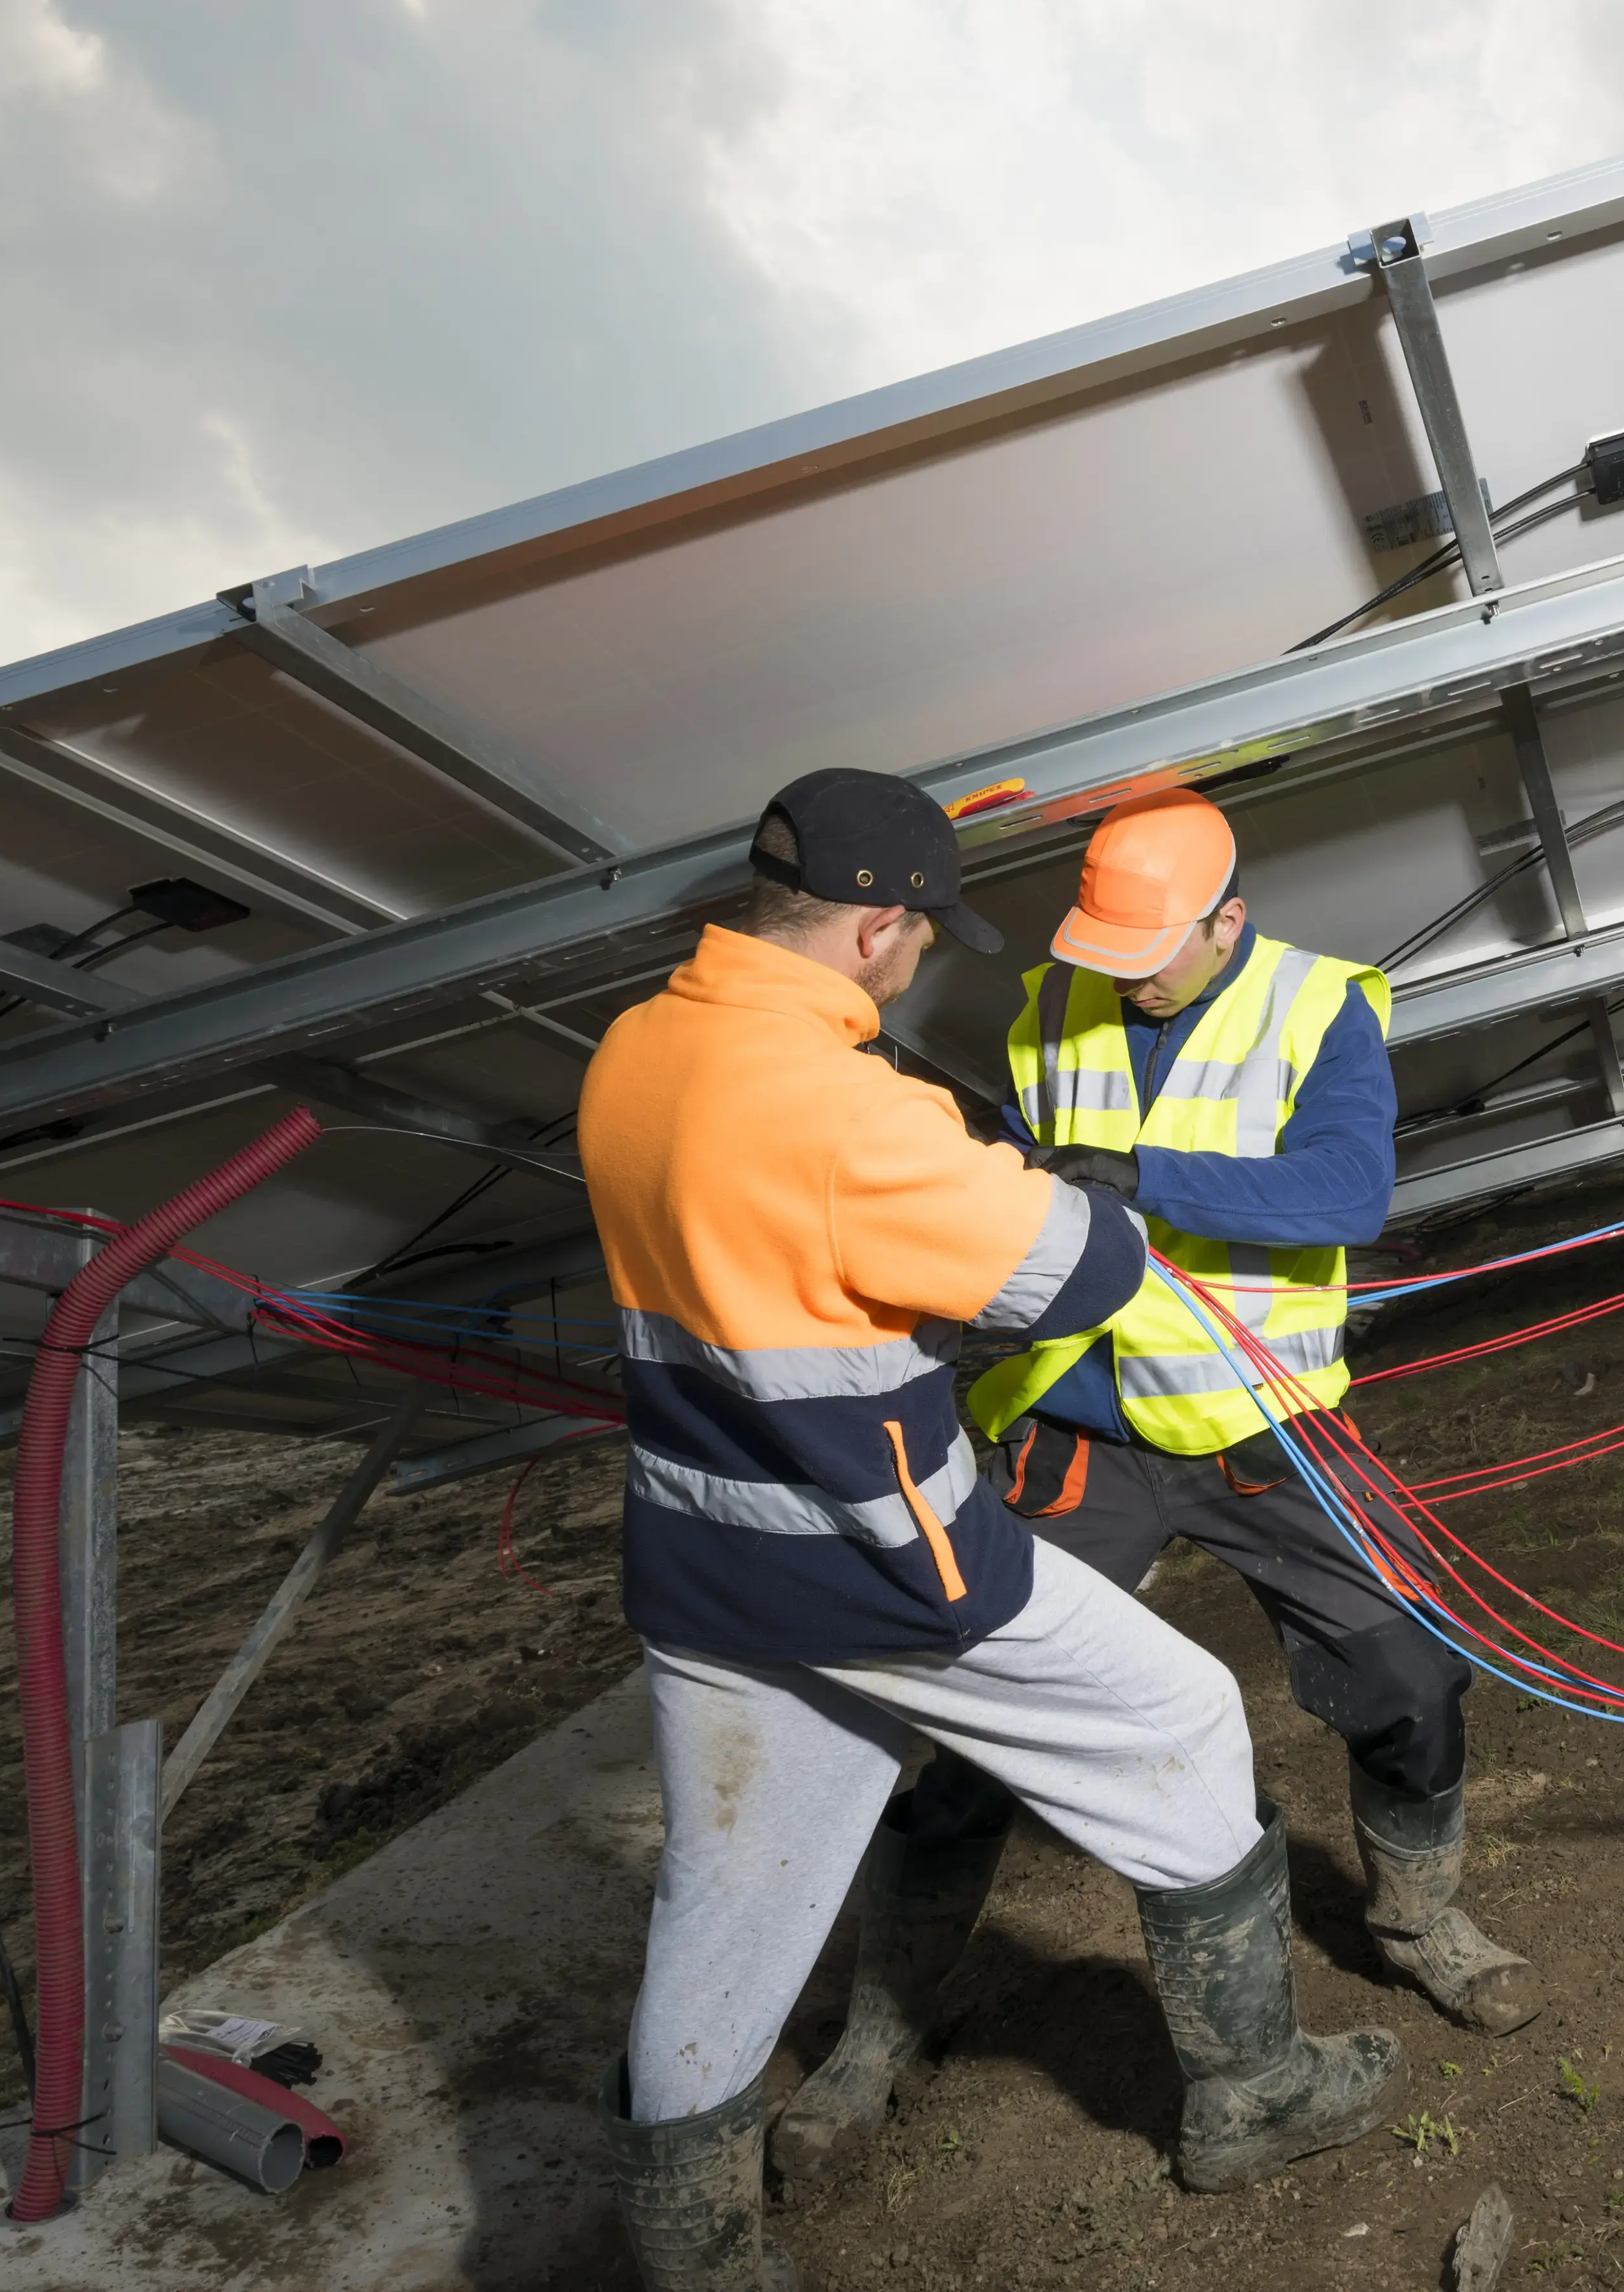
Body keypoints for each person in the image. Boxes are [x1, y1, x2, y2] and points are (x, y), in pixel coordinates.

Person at [584, 769, 1393, 2290]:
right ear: (879, 929)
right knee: (1186, 1717)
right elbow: (1072, 1277)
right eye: (920, 934)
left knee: (730, 1897)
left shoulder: (635, 1049)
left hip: (703, 1568)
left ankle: (695, 2257)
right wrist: (1055, 1187)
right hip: (880, 1559)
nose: (927, 959)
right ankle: (1256, 2090)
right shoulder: (843, 1108)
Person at [772, 787, 1536, 2195]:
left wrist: (1139, 1174)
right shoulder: (1056, 1004)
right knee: (969, 1733)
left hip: (1264, 1430)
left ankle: (1423, 1922)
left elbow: (1346, 1194)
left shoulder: (1320, 1011)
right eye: (1103, 945)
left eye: (1150, 951)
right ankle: (875, 2037)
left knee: (1410, 1676)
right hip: (1080, 1430)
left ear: (1229, 920)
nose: (1118, 973)